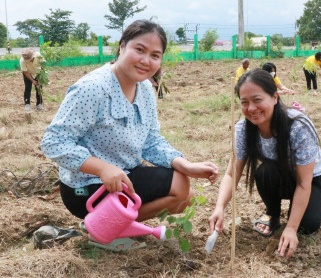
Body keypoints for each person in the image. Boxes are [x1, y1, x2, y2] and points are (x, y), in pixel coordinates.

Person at [41, 20, 219, 242]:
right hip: (86, 187)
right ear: (122, 46)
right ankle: (102, 227)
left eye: (155, 55)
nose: (146, 61)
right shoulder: (93, 88)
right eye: (140, 50)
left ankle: (107, 227)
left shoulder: (144, 87)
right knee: (179, 188)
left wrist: (187, 165)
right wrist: (103, 168)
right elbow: (53, 142)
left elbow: (151, 141)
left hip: (126, 174)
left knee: (184, 196)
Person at [208, 69, 321, 259]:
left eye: (257, 100)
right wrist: (219, 207)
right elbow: (231, 174)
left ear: (275, 97)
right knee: (265, 171)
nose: (251, 108)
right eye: (244, 102)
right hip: (280, 175)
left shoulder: (298, 126)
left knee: (306, 227)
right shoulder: (243, 130)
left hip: (313, 181)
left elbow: (303, 183)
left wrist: (291, 228)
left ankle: (296, 216)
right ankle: (272, 214)